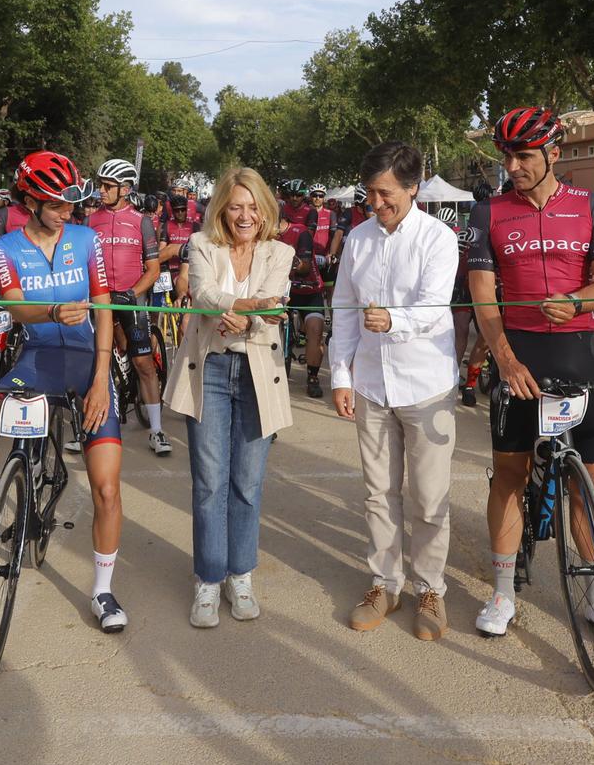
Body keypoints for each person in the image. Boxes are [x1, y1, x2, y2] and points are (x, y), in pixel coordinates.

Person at [466, 107, 594, 644]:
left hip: (579, 349)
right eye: (507, 157)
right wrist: (505, 360)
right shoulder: (488, 213)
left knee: (589, 483)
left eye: (524, 156)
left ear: (553, 154)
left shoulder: (592, 205)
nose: (512, 166)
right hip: (519, 354)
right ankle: (503, 591)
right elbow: (483, 296)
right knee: (510, 475)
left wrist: (578, 300)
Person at [0, 151, 130, 633]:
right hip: (35, 360)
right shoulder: (6, 247)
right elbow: (13, 307)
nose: (67, 213)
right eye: (56, 204)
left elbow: (103, 307)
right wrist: (52, 312)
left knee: (107, 487)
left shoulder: (87, 238)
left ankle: (102, 590)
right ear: (29, 199)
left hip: (86, 363)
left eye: (72, 204)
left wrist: (101, 379)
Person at [328, 142, 460, 641]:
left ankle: (431, 589)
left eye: (386, 193)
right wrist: (341, 377)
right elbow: (343, 309)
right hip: (371, 387)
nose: (376, 203)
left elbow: (435, 306)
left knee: (428, 498)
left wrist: (394, 321)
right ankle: (385, 582)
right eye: (370, 194)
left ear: (413, 187)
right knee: (378, 494)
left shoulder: (437, 239)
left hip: (427, 386)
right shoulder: (358, 240)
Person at [166, 166, 294, 628]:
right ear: (221, 208)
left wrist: (250, 315)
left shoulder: (281, 251)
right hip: (211, 371)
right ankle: (208, 578)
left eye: (253, 206)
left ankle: (240, 575)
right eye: (236, 206)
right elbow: (202, 294)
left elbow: (273, 302)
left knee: (246, 482)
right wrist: (249, 308)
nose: (245, 215)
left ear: (265, 210)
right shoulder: (202, 245)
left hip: (258, 374)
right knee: (208, 483)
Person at [90, 159, 171, 455]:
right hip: (99, 299)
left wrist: (132, 292)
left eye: (107, 186)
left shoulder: (141, 221)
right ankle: (89, 426)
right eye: (100, 184)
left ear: (124, 189)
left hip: (130, 298)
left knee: (144, 364)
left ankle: (157, 430)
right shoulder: (90, 220)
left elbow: (152, 268)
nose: (101, 190)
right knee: (92, 362)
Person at [279, 207, 328, 396]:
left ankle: (313, 377)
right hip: (285, 290)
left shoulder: (301, 232)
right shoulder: (265, 235)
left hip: (309, 289)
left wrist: (284, 260)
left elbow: (305, 266)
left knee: (315, 331)